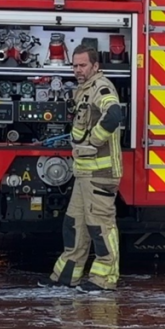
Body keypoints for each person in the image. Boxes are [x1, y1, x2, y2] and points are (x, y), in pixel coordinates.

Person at [46, 44, 125, 292]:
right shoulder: (85, 90)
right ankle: (67, 276)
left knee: (100, 227)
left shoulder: (101, 88)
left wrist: (93, 141)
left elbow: (113, 114)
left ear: (95, 66)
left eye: (83, 65)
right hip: (84, 173)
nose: (78, 70)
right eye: (75, 65)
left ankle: (105, 279)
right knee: (74, 226)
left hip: (100, 174)